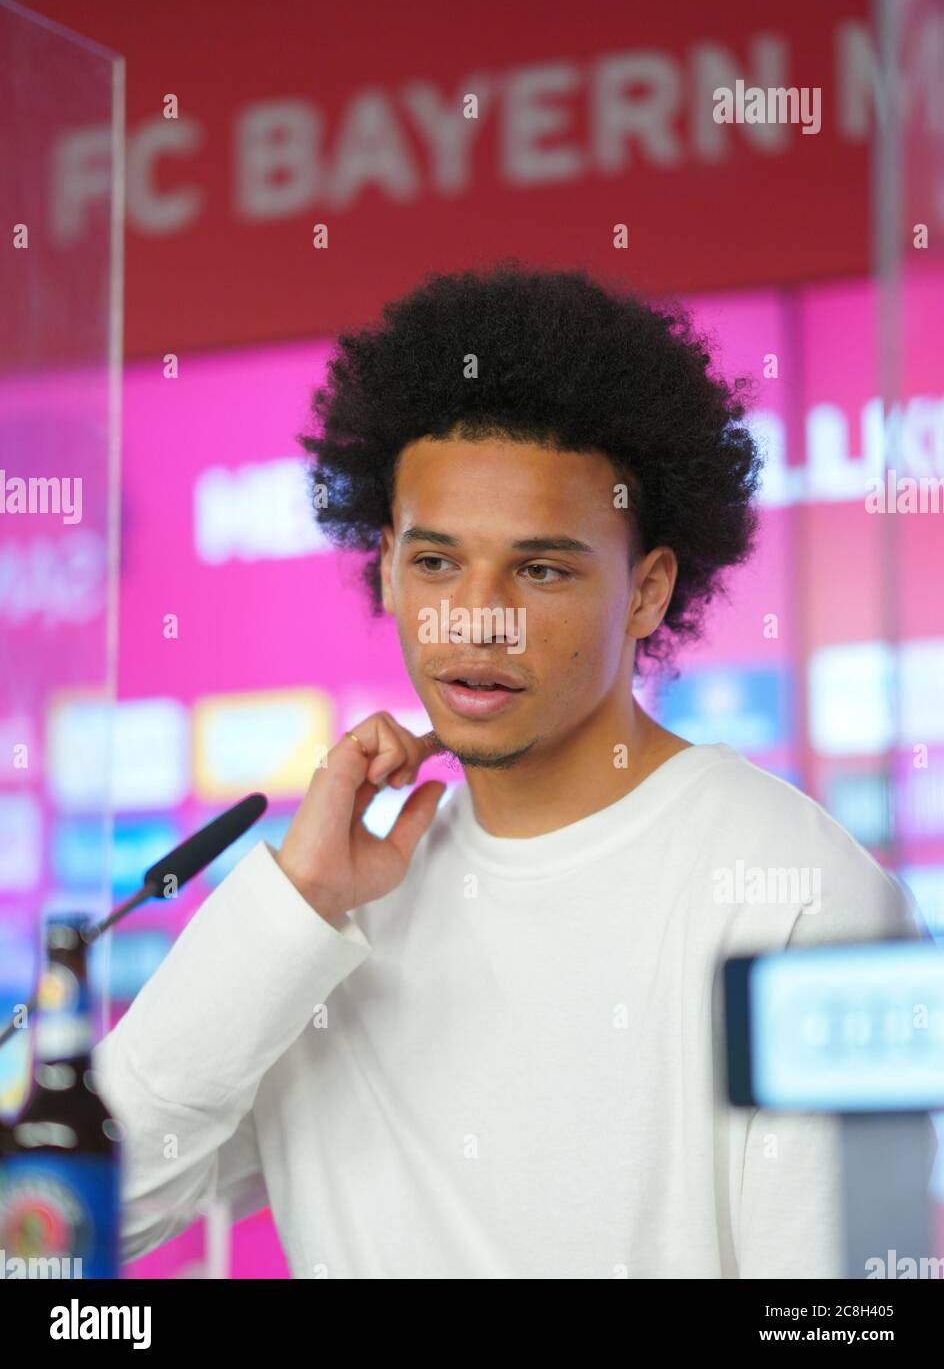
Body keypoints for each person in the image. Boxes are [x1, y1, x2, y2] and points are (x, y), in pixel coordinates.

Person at [93, 262, 930, 1278]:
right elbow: (57, 1222)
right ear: (386, 566)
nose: (474, 616)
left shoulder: (798, 896)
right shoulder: (327, 918)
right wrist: (296, 904)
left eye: (540, 568)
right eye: (436, 561)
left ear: (646, 589)